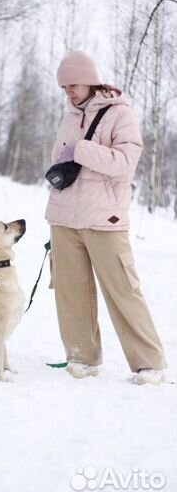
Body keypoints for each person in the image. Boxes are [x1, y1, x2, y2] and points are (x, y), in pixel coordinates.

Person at [45, 50, 167, 385]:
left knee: (123, 290)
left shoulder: (120, 114)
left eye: (73, 84)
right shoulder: (69, 116)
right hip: (64, 218)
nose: (68, 91)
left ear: (91, 81)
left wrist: (81, 150)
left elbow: (125, 162)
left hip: (105, 219)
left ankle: (149, 364)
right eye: (64, 86)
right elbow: (60, 158)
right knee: (70, 290)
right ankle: (82, 358)